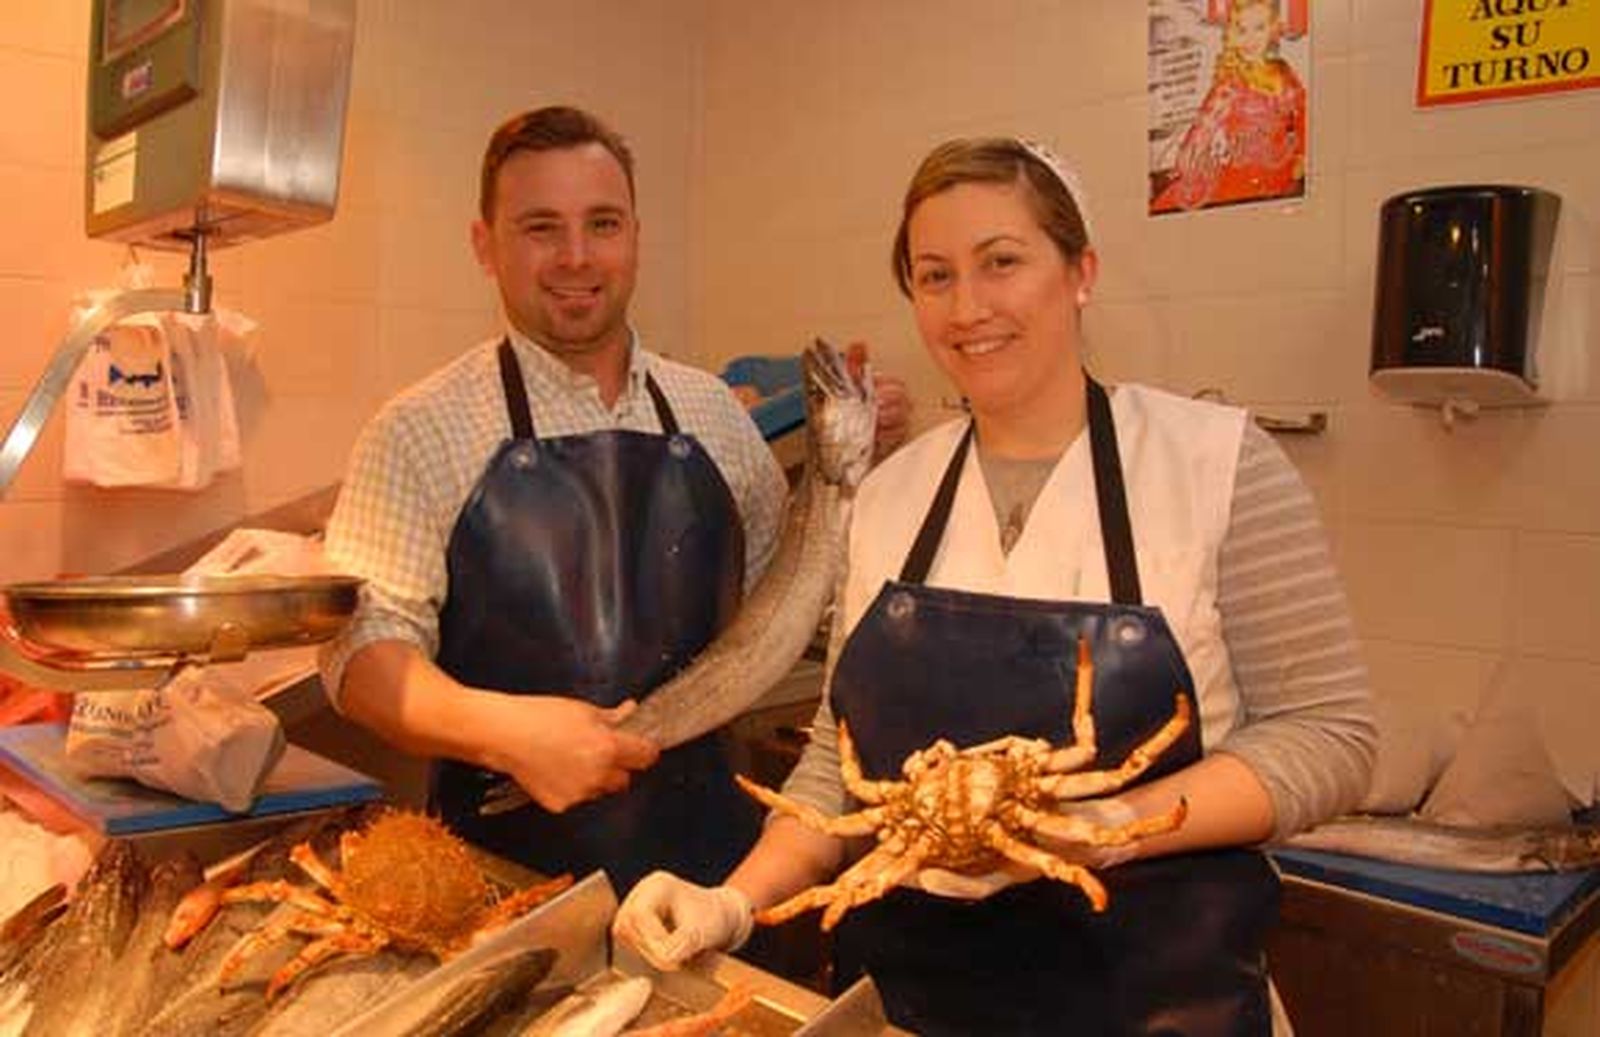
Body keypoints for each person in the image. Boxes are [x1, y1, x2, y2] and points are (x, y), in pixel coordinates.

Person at [613, 136, 1375, 1035]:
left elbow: (1333, 735)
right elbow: (838, 757)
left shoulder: (1215, 465)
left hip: (1162, 1000)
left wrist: (1112, 821)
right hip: (910, 1004)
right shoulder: (889, 493)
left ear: (1080, 270)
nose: (967, 307)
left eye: (1002, 262)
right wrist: (734, 901)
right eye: (934, 276)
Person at [318, 105, 909, 896]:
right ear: (483, 245)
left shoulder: (714, 415)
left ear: (635, 235)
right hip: (500, 886)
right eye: (540, 228)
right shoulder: (420, 428)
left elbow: (800, 601)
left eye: (602, 223)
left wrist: (870, 481)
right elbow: (360, 656)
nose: (576, 256)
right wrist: (506, 733)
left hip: (716, 872)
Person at [1152, 0, 1308, 212]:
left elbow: (1304, 116)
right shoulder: (1230, 84)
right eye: (1242, 30)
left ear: (1272, 29)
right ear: (1233, 33)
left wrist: (1301, 156)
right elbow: (1201, 132)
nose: (1250, 39)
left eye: (1259, 28)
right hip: (1238, 181)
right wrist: (1188, 165)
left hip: (1280, 177)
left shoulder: (1283, 72)